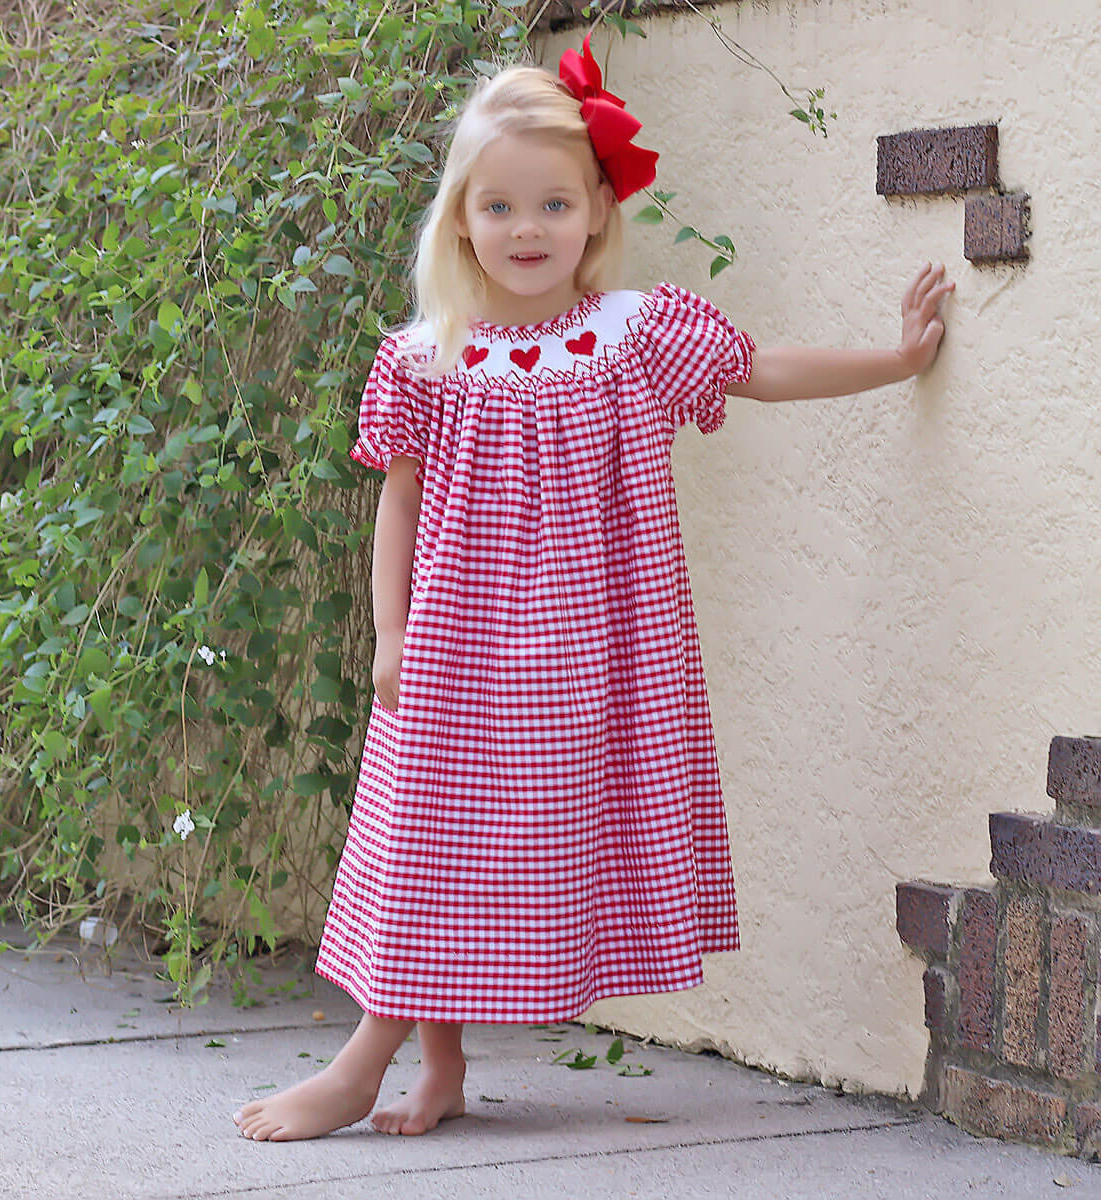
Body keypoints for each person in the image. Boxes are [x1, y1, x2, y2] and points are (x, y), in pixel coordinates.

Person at [233, 33, 954, 1142]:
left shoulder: (633, 336)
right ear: (461, 221)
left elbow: (759, 372)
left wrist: (894, 360)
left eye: (555, 206)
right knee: (429, 827)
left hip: (583, 648)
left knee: (495, 837)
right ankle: (426, 1063)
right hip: (456, 637)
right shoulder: (430, 352)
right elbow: (400, 500)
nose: (528, 230)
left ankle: (371, 1064)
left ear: (598, 216)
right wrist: (390, 629)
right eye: (501, 207)